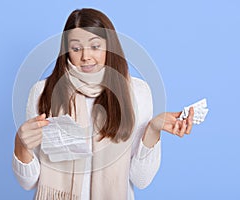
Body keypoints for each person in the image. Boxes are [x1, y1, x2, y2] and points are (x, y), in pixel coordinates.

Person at [12, 8, 194, 200]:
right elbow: (28, 182)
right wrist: (21, 144)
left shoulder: (137, 93)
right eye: (76, 48)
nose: (85, 56)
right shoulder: (42, 93)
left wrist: (153, 130)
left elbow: (141, 179)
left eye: (95, 46)